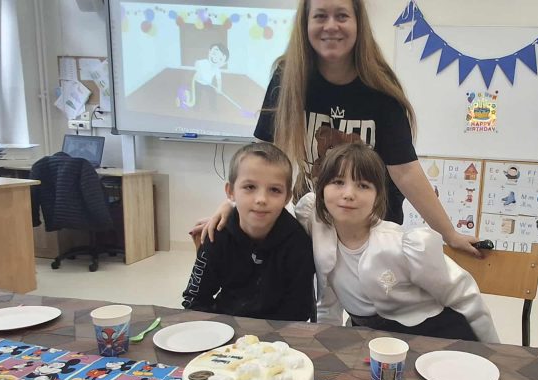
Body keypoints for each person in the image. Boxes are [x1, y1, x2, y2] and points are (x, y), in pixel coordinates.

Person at [192, 0, 480, 258]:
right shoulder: (287, 77)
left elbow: (405, 171)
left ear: (358, 23)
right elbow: (262, 157)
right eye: (320, 16)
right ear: (305, 24)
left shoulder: (379, 87)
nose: (331, 26)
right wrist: (232, 204)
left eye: (342, 16)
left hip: (372, 231)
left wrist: (448, 233)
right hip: (316, 224)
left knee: (367, 301)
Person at [295, 143, 499, 342]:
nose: (348, 194)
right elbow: (327, 295)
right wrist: (326, 340)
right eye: (338, 182)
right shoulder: (315, 223)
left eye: (363, 185)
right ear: (321, 188)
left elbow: (464, 295)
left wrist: (493, 351)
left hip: (433, 334)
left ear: (377, 197)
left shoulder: (403, 245)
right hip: (369, 335)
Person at [181, 142, 314, 321]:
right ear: (230, 192)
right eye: (250, 187)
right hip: (225, 328)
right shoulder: (217, 234)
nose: (261, 199)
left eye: (274, 190)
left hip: (277, 332)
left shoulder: (298, 244)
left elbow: (299, 311)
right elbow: (194, 300)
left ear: (287, 197)